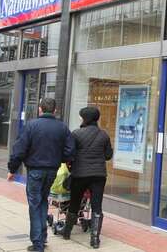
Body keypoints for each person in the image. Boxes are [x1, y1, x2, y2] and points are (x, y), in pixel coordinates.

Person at [7, 98, 75, 252]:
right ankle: (42, 237)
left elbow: (19, 150)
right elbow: (70, 151)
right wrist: (60, 158)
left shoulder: (31, 126)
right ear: (55, 111)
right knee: (43, 201)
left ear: (40, 109)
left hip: (35, 170)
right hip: (52, 170)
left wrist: (12, 169)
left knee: (35, 204)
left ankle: (38, 243)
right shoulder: (62, 127)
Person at [63, 106, 112, 248]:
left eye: (81, 116)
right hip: (99, 175)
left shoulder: (76, 134)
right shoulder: (104, 135)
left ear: (85, 118)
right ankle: (95, 239)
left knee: (75, 202)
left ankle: (67, 232)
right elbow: (108, 156)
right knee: (97, 206)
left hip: (80, 174)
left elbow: (70, 154)